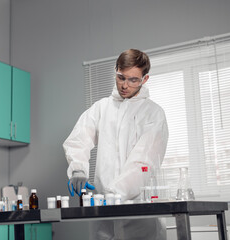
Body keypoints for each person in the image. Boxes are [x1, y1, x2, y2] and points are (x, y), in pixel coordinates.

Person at [63, 49, 169, 239]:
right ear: (115, 71)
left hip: (140, 214)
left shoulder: (153, 114)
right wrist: (78, 169)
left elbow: (144, 162)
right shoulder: (101, 108)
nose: (125, 85)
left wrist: (113, 194)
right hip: (104, 217)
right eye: (121, 77)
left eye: (133, 80)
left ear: (145, 79)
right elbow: (78, 139)